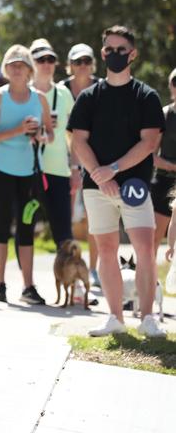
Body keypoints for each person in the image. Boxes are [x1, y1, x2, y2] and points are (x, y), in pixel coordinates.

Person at [68, 25, 166, 337]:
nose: (114, 54)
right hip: (97, 187)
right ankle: (115, 318)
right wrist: (100, 173)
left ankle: (148, 317)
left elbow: (149, 143)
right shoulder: (89, 98)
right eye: (109, 49)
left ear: (133, 54)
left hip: (135, 186)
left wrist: (113, 169)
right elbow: (78, 142)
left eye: (121, 50)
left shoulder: (146, 96)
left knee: (145, 250)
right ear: (102, 53)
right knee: (106, 249)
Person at [0, 44, 54, 305]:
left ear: (29, 70)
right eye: (12, 65)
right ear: (6, 69)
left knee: (26, 227)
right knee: (2, 224)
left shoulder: (40, 98)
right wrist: (18, 130)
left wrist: (39, 136)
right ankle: (0, 284)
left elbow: (50, 133)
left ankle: (28, 286)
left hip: (28, 172)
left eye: (21, 65)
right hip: (1, 168)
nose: (17, 69)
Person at [60, 43, 102, 287]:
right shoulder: (62, 88)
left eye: (87, 61)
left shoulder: (101, 87)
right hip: (62, 159)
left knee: (94, 216)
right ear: (70, 65)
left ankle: (93, 269)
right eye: (78, 62)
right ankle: (67, 267)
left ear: (93, 64)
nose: (82, 66)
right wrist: (72, 167)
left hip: (94, 159)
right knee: (65, 216)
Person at [29, 39, 77, 247]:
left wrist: (75, 168)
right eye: (40, 59)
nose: (46, 63)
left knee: (64, 231)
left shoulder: (63, 93)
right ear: (31, 63)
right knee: (25, 225)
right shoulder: (23, 92)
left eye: (50, 59)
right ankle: (27, 279)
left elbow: (74, 135)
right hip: (27, 169)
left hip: (58, 170)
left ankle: (70, 277)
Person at [151, 68, 176, 255]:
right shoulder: (164, 114)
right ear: (170, 86)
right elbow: (150, 154)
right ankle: (149, 281)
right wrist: (170, 166)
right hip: (165, 181)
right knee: (152, 241)